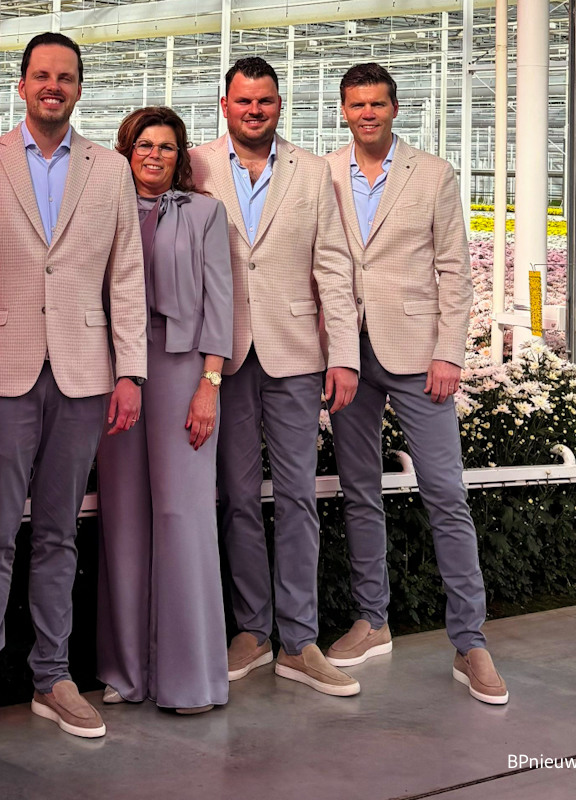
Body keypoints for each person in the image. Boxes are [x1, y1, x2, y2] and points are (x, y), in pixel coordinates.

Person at [0, 32, 148, 750]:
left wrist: (130, 371)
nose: (53, 86)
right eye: (41, 75)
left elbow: (126, 274)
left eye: (65, 76)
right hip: (3, 371)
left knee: (60, 532)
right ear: (22, 84)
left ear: (79, 88)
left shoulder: (110, 170)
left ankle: (51, 677)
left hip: (83, 374)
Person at [323, 63, 507, 705]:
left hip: (417, 356)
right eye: (356, 105)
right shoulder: (324, 173)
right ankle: (372, 621)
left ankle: (470, 641)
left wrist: (448, 352)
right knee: (358, 490)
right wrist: (330, 349)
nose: (367, 114)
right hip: (347, 353)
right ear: (343, 111)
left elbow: (454, 269)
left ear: (395, 108)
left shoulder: (432, 174)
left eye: (377, 103)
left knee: (445, 493)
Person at [189, 57, 361, 697]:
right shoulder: (198, 167)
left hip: (295, 355)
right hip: (224, 356)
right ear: (225, 106)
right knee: (236, 496)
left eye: (264, 100)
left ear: (279, 105)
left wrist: (343, 354)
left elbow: (333, 267)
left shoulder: (312, 172)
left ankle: (300, 639)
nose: (254, 110)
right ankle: (252, 630)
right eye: (243, 101)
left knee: (296, 498)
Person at [95, 107, 233, 715]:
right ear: (127, 151)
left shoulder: (205, 212)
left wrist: (210, 383)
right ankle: (126, 673)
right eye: (144, 144)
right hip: (115, 371)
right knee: (123, 517)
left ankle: (190, 679)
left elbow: (220, 303)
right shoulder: (103, 207)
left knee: (183, 513)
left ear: (181, 157)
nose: (154, 154)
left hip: (183, 371)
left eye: (167, 146)